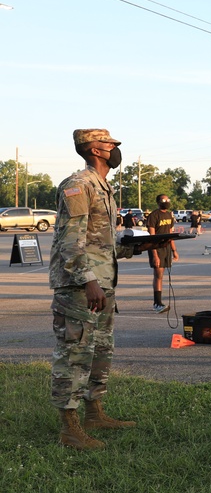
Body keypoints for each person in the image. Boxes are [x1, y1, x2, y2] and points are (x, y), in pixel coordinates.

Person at [49, 128, 154, 450]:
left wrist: (135, 247)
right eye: (111, 145)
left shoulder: (103, 186)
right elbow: (70, 241)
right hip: (80, 286)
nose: (115, 149)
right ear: (94, 149)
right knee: (75, 353)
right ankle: (69, 428)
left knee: (100, 352)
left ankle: (94, 412)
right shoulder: (79, 184)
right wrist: (89, 280)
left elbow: (98, 243)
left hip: (102, 283)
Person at [146, 194, 179, 314]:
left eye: (168, 199)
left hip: (166, 249)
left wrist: (174, 250)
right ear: (158, 202)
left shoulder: (169, 215)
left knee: (162, 276)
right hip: (157, 248)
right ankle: (157, 303)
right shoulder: (153, 215)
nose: (166, 201)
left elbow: (170, 234)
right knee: (158, 275)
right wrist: (155, 255)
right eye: (164, 200)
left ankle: (159, 302)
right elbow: (152, 237)